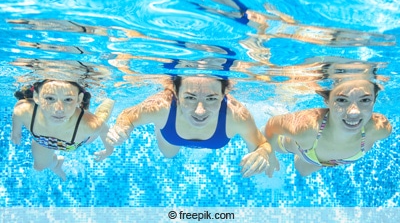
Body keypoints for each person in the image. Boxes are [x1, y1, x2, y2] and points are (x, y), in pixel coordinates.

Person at [106, 75, 276, 177]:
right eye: (190, 98)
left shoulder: (237, 115)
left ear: (224, 94)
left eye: (211, 98)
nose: (200, 111)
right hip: (170, 136)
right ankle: (160, 126)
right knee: (169, 154)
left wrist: (263, 153)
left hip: (210, 136)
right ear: (176, 93)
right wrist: (121, 128)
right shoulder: (160, 107)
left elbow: (262, 144)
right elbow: (128, 116)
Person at [263, 79, 392, 177]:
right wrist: (270, 155)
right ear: (327, 101)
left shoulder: (380, 129)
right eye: (342, 100)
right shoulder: (307, 128)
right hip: (297, 146)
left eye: (364, 100)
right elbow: (271, 125)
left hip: (315, 160)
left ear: (374, 100)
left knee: (302, 172)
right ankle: (280, 111)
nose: (354, 112)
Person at [11, 80, 115, 181]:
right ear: (36, 97)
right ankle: (56, 165)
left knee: (100, 120)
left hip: (77, 140)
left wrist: (108, 151)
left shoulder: (88, 125)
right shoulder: (23, 110)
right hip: (43, 142)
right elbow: (17, 116)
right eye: (50, 98)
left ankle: (109, 100)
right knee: (39, 166)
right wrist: (15, 133)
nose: (59, 109)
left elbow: (104, 130)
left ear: (79, 99)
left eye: (68, 99)